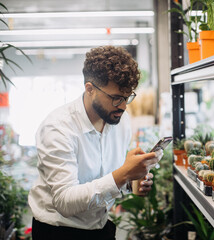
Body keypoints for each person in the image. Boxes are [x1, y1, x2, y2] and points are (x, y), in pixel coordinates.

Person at [28, 45, 163, 240]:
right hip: (59, 231)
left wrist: (132, 181)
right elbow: (65, 202)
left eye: (127, 97)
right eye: (116, 98)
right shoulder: (58, 128)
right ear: (90, 89)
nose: (124, 106)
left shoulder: (120, 120)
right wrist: (123, 174)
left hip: (101, 226)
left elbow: (105, 178)